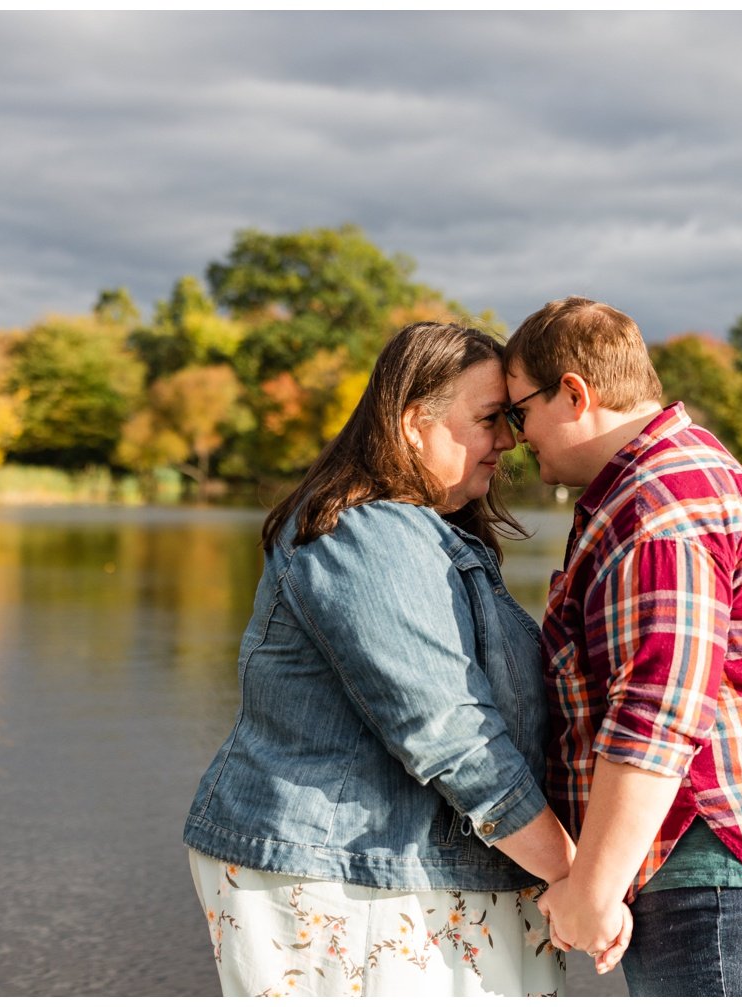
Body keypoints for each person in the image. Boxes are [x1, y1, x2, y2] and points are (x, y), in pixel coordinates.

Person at [182, 321, 629, 997]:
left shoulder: (423, 530)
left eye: (511, 418)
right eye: (488, 419)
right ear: (415, 421)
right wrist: (576, 876)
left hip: (411, 868)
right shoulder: (364, 531)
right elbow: (450, 731)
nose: (507, 439)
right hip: (342, 871)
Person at [500, 297, 742, 997]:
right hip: (725, 864)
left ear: (575, 393)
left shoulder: (662, 506)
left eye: (519, 411)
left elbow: (658, 712)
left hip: (723, 867)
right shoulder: (663, 480)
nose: (516, 436)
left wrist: (593, 889)